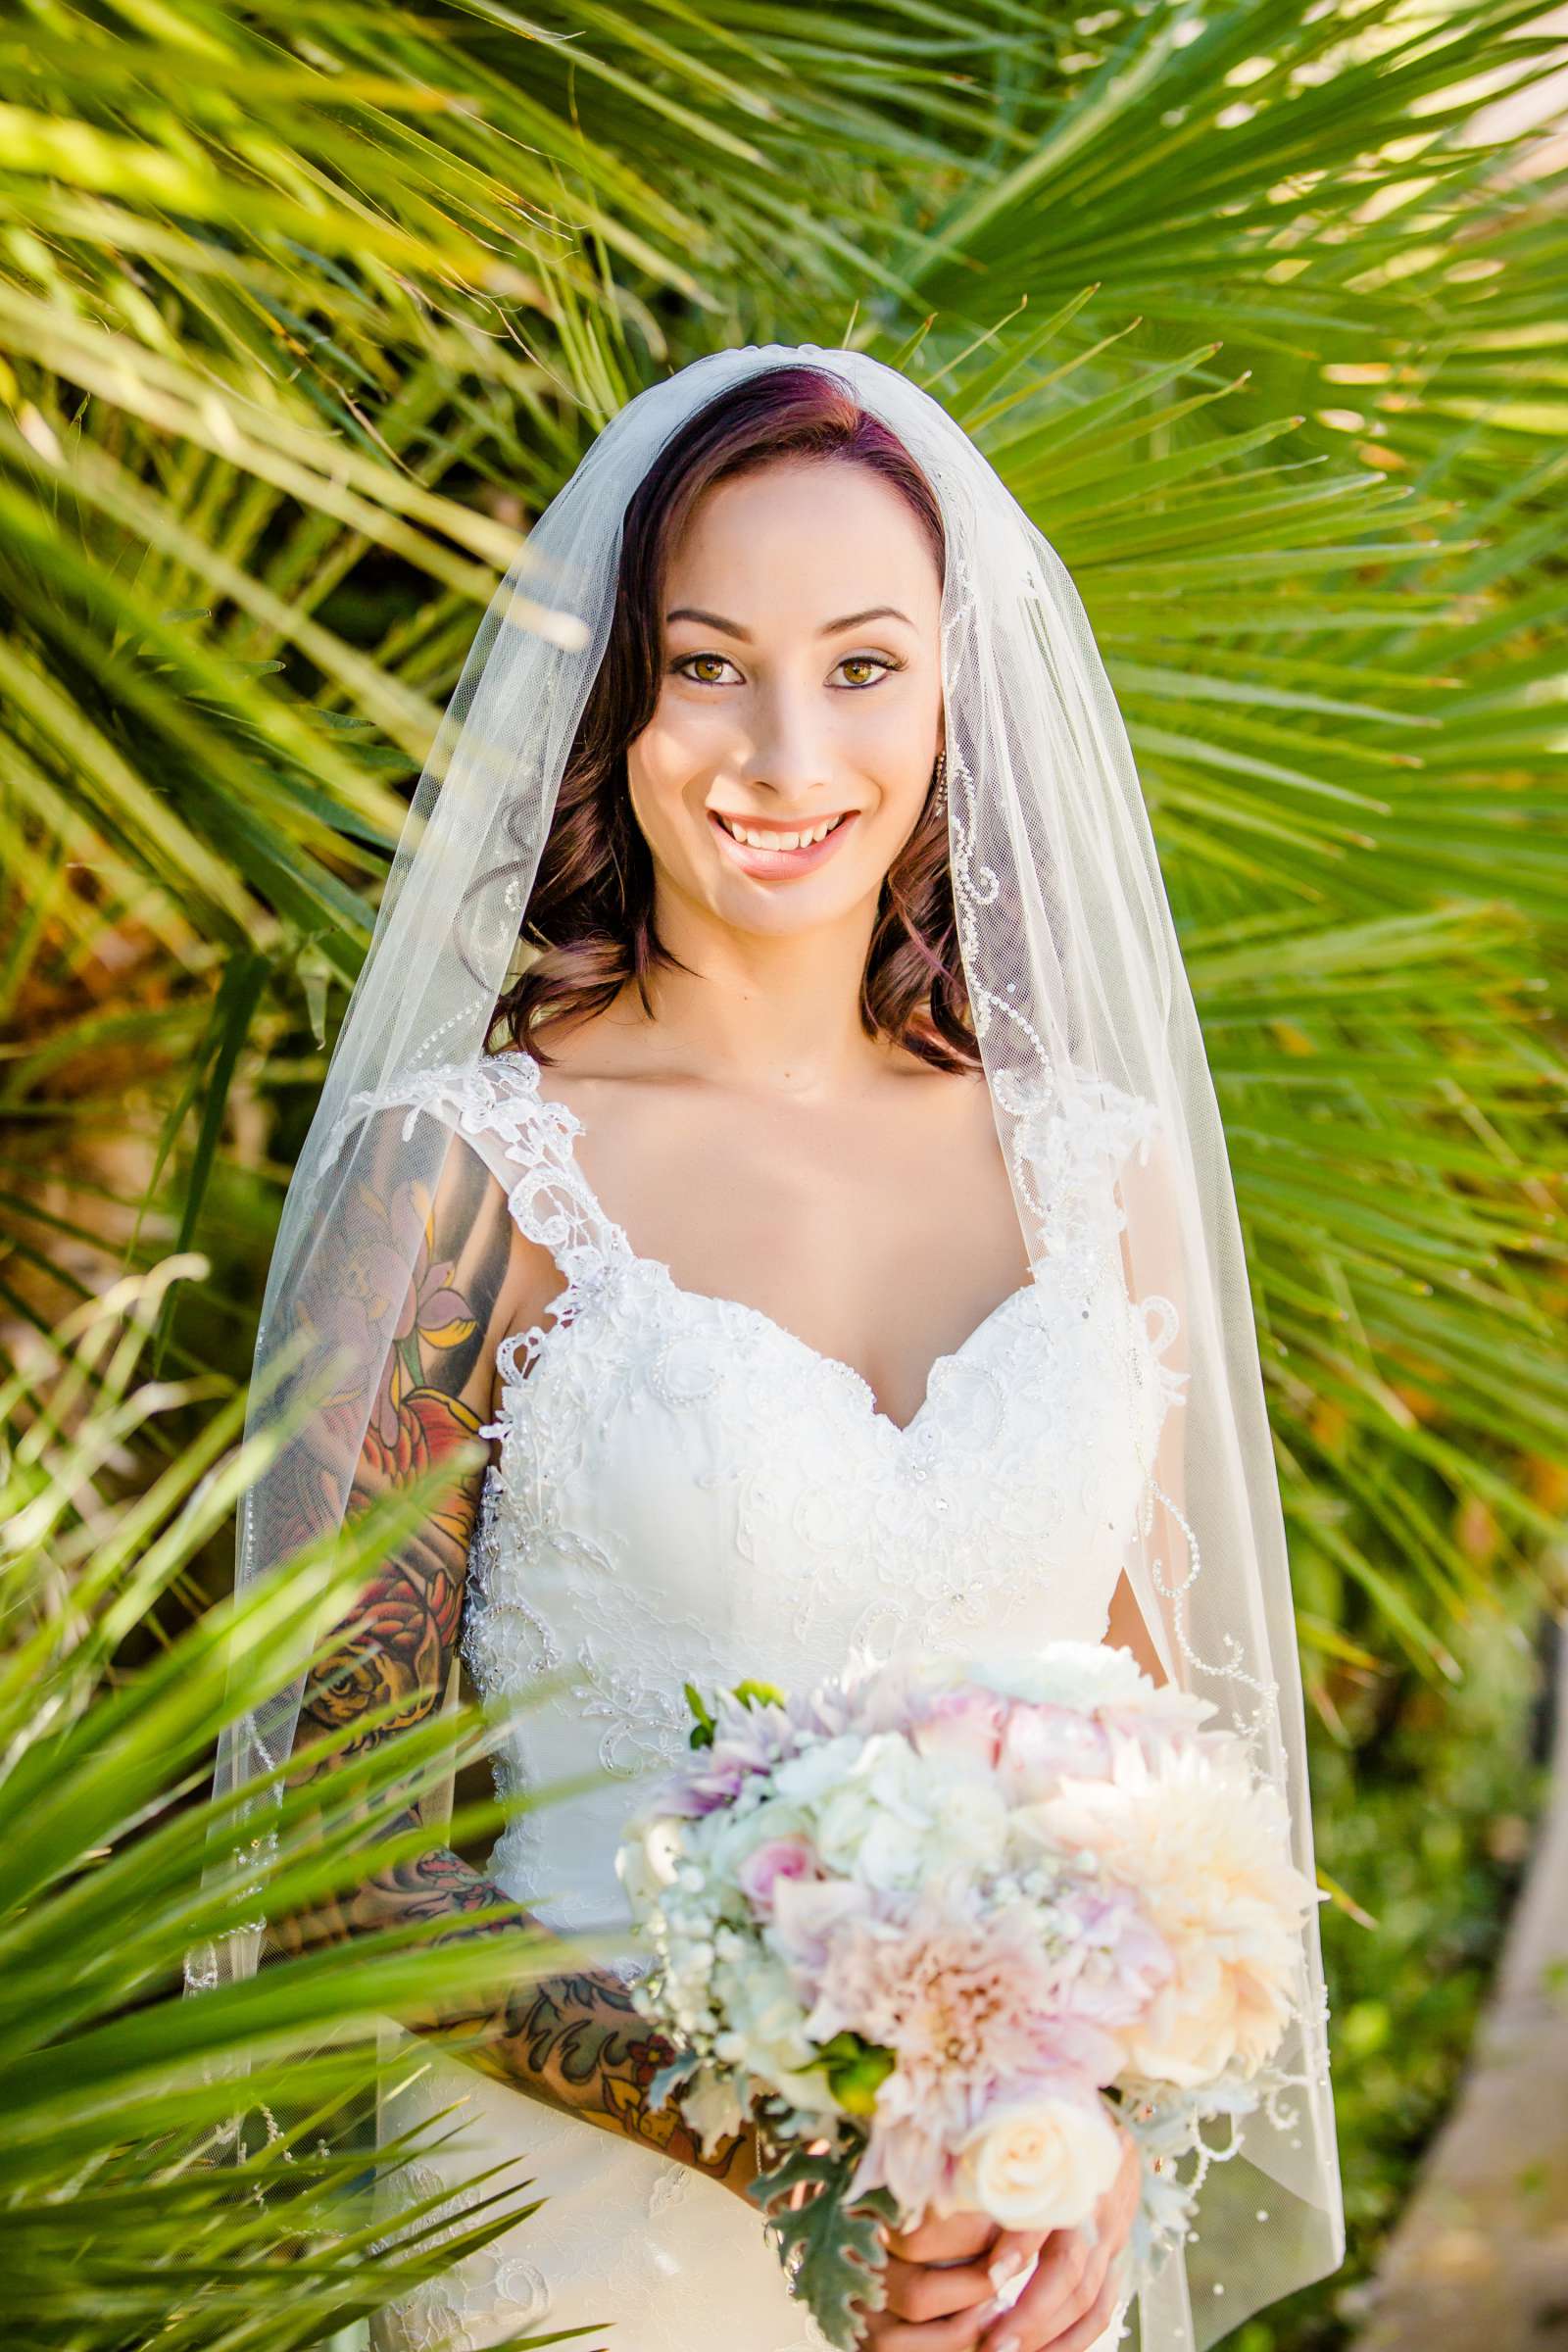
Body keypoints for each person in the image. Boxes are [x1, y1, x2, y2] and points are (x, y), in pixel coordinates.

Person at [218, 348, 1344, 2352]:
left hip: (993, 2283)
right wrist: (786, 2152)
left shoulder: (1096, 1172)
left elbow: (1158, 1822)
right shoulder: (458, 1189)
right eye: (707, 662)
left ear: (949, 697)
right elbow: (334, 1872)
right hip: (577, 2255)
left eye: (860, 666)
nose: (781, 754)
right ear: (613, 696)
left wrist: (1076, 2148)